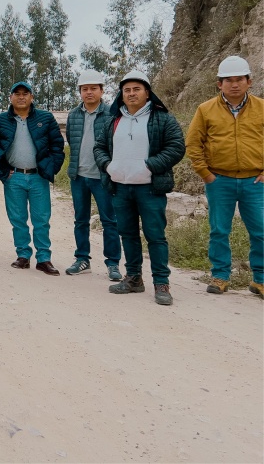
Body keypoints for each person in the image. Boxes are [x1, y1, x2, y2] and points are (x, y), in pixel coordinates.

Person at [94, 70, 185, 306]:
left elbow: (176, 147)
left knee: (155, 236)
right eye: (127, 90)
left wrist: (149, 166)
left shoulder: (162, 118)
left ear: (147, 93)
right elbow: (99, 147)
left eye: (137, 89)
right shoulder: (113, 120)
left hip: (150, 188)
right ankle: (134, 278)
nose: (131, 93)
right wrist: (108, 166)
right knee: (128, 234)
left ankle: (161, 283)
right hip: (121, 188)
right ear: (121, 95)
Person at [185, 56, 263, 299]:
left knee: (261, 231)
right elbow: (193, 143)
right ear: (219, 84)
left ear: (249, 81)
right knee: (219, 230)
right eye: (228, 80)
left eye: (239, 79)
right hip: (220, 181)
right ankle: (220, 276)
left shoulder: (262, 108)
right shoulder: (205, 109)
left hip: (255, 181)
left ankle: (260, 279)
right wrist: (206, 174)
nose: (234, 84)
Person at [0, 81, 65, 275]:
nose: (21, 97)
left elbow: (57, 145)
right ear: (10, 97)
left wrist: (51, 168)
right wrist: (2, 171)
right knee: (18, 219)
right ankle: (23, 255)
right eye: (17, 94)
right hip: (14, 177)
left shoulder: (45, 118)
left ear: (32, 97)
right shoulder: (0, 120)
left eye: (25, 93)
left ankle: (44, 258)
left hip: (38, 176)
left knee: (41, 219)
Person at [64, 70, 122, 280]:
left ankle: (113, 263)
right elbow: (71, 140)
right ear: (80, 92)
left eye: (93, 88)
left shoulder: (112, 114)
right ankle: (82, 259)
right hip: (78, 176)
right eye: (85, 89)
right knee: (80, 220)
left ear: (102, 90)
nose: (89, 92)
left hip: (103, 177)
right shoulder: (73, 115)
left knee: (109, 221)